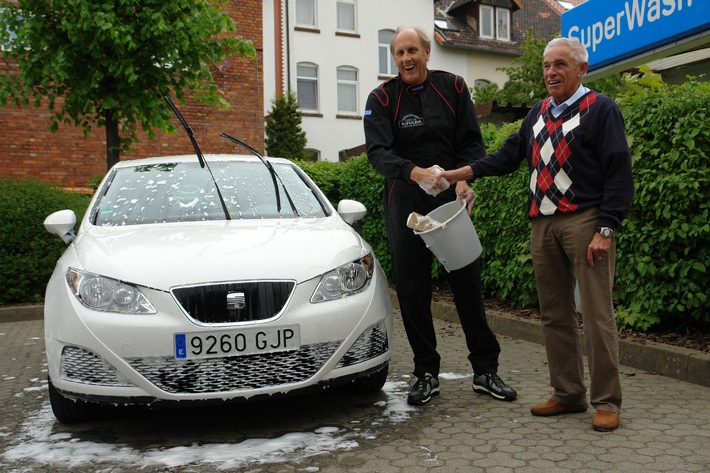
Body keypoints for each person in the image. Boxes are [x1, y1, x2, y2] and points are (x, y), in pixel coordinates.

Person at [438, 37, 634, 432]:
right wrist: (463, 172)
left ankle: (607, 401)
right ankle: (567, 394)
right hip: (542, 222)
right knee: (554, 315)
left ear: (582, 69)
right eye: (546, 65)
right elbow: (508, 155)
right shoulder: (538, 113)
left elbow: (618, 172)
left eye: (560, 64)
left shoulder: (601, 109)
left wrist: (606, 228)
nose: (550, 72)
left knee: (596, 314)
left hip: (585, 220)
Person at [363, 26, 517, 406]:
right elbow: (377, 153)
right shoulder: (381, 98)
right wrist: (414, 172)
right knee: (414, 292)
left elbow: (471, 143)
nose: (406, 59)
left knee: (468, 285)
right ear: (393, 57)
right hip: (406, 206)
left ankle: (485, 370)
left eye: (412, 50)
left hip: (451, 204)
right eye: (399, 53)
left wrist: (464, 181)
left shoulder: (454, 88)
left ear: (427, 52)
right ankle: (425, 372)